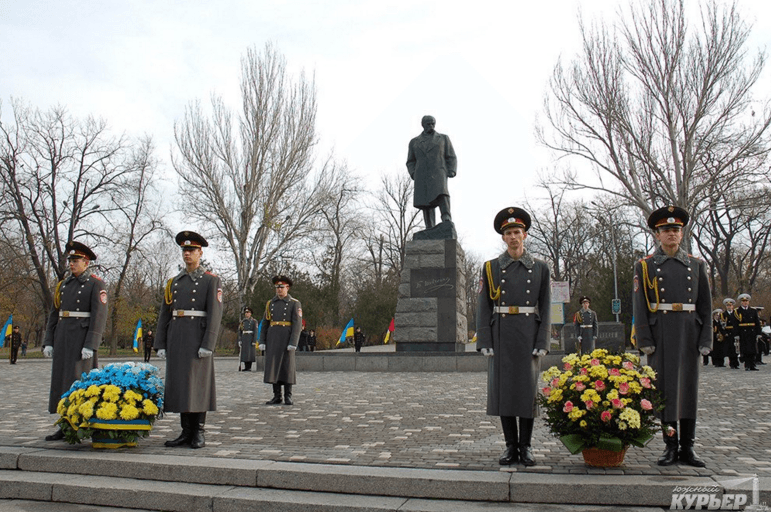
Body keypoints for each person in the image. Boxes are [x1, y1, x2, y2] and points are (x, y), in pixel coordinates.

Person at [633, 206, 711, 467]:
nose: (671, 234)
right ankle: (670, 446)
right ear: (657, 234)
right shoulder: (645, 266)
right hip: (662, 332)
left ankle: (688, 447)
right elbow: (640, 305)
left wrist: (706, 340)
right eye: (666, 230)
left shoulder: (697, 265)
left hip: (689, 332)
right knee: (665, 393)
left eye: (676, 230)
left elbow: (706, 306)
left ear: (682, 233)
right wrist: (644, 340)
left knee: (688, 391)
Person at [476, 207, 550, 467]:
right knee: (504, 392)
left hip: (528, 333)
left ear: (526, 235)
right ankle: (510, 446)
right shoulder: (491, 267)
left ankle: (526, 446)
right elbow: (483, 305)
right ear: (503, 238)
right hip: (501, 334)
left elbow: (546, 306)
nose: (514, 237)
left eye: (517, 232)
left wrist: (543, 342)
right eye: (508, 233)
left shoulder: (540, 268)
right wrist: (484, 341)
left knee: (526, 392)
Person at [155, 231, 222, 449]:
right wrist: (161, 343)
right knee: (182, 385)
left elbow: (215, 314)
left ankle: (198, 432)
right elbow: (165, 314)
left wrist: (208, 344)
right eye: (184, 250)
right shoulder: (174, 282)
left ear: (200, 252)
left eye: (191, 250)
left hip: (197, 338)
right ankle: (185, 431)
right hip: (178, 337)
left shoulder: (210, 281)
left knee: (198, 385)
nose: (187, 254)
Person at [43, 241, 107, 441]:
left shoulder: (96, 284)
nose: (72, 264)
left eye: (76, 260)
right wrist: (49, 341)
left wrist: (91, 344)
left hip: (81, 340)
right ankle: (65, 424)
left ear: (86, 262)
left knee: (79, 382)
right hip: (63, 337)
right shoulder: (63, 285)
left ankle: (82, 424)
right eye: (70, 260)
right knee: (62, 382)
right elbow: (55, 314)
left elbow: (99, 316)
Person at [406, 115, 457, 229]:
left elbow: (451, 156)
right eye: (428, 124)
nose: (431, 126)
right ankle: (429, 226)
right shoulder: (414, 142)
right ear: (423, 125)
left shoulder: (443, 138)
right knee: (425, 201)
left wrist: (451, 170)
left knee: (442, 195)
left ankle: (446, 218)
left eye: (433, 123)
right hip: (422, 175)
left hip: (439, 172)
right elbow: (410, 161)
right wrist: (414, 173)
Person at [259, 276, 301, 406]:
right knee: (273, 366)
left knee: (287, 367)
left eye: (282, 287)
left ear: (287, 288)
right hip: (273, 337)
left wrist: (293, 342)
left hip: (286, 337)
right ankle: (277, 396)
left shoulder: (294, 303)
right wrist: (262, 340)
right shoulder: (270, 303)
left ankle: (288, 395)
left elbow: (297, 324)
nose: (279, 290)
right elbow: (265, 323)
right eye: (277, 287)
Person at [735, 293, 761, 371]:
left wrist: (758, 333)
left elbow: (757, 322)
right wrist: (736, 334)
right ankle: (747, 365)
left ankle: (752, 365)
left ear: (748, 302)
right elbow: (735, 324)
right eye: (743, 301)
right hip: (743, 332)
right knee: (745, 350)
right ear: (741, 302)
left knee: (753, 349)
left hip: (752, 332)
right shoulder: (737, 311)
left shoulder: (753, 310)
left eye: (746, 301)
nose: (745, 302)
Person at [720, 298, 741, 369]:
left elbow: (738, 323)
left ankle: (736, 363)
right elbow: (722, 326)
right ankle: (732, 363)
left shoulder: (736, 313)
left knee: (736, 349)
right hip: (728, 333)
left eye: (730, 305)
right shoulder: (723, 315)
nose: (729, 307)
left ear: (732, 306)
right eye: (727, 306)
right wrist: (724, 333)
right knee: (730, 349)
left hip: (735, 332)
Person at [238, 307, 257, 371]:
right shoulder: (242, 322)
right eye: (246, 313)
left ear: (251, 313)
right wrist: (240, 340)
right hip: (244, 338)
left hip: (250, 337)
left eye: (248, 312)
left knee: (250, 353)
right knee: (245, 353)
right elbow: (240, 331)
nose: (247, 314)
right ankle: (246, 366)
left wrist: (254, 340)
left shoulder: (254, 321)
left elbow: (255, 331)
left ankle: (249, 366)